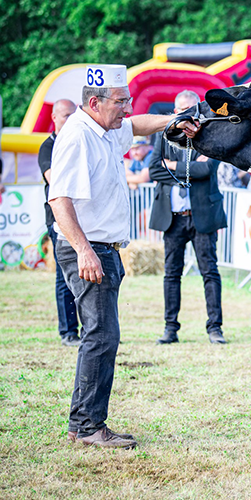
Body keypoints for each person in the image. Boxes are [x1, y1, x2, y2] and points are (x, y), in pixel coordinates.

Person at [48, 64, 199, 449]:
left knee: (100, 335)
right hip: (89, 248)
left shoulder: (105, 128)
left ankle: (82, 423)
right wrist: (84, 250)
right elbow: (58, 200)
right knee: (101, 336)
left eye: (128, 100)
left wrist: (174, 119)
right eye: (121, 102)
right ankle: (88, 426)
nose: (127, 108)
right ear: (94, 103)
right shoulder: (78, 136)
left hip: (102, 248)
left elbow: (139, 124)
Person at [149, 90, 228, 345]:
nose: (188, 113)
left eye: (193, 108)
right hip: (173, 217)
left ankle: (215, 328)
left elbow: (207, 169)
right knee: (171, 275)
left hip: (202, 215)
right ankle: (170, 329)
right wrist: (188, 169)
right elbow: (153, 169)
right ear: (175, 112)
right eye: (183, 109)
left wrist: (171, 166)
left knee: (210, 272)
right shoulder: (164, 135)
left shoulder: (210, 135)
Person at [38, 98, 81, 347]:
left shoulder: (78, 141)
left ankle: (90, 329)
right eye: (66, 116)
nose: (71, 120)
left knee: (86, 274)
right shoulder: (48, 146)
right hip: (59, 218)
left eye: (74, 115)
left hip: (83, 216)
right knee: (64, 275)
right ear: (54, 118)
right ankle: (68, 331)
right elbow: (54, 179)